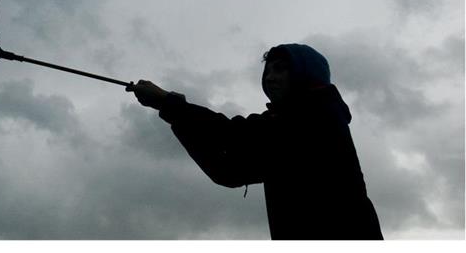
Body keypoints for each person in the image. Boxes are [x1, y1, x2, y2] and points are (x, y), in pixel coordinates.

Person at [126, 43, 383, 239]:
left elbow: (234, 134)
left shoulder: (318, 115)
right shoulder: (284, 128)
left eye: (281, 69)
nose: (269, 77)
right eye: (268, 71)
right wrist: (175, 115)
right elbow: (226, 171)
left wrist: (168, 103)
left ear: (308, 74)